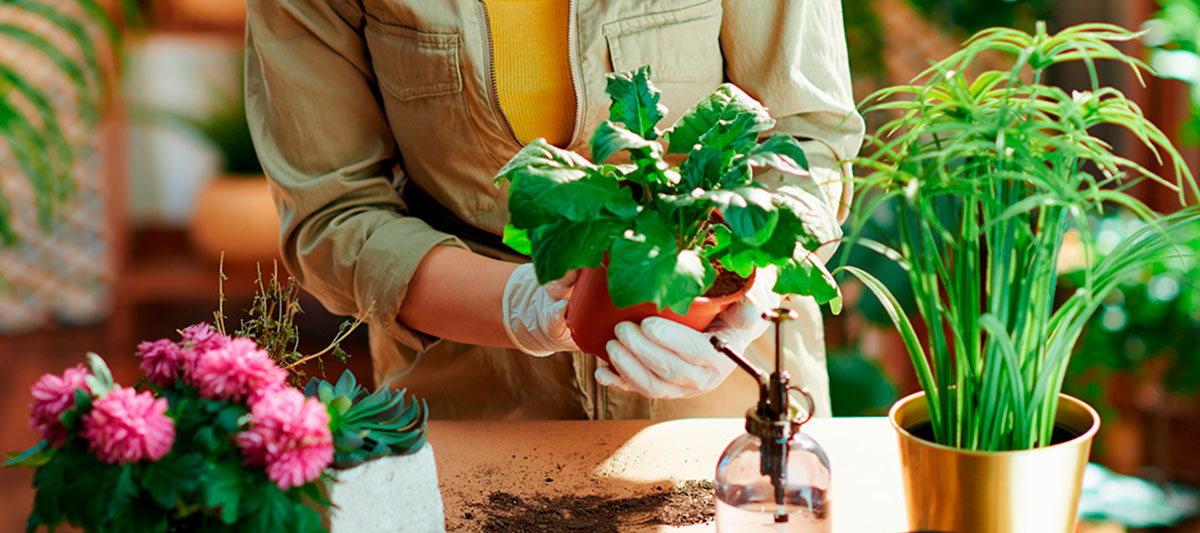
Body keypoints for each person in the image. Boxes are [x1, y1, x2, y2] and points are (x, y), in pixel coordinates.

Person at [245, 0, 864, 420]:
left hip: (730, 400)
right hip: (474, 400)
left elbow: (810, 138)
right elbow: (334, 211)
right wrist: (519, 304)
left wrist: (753, 282)